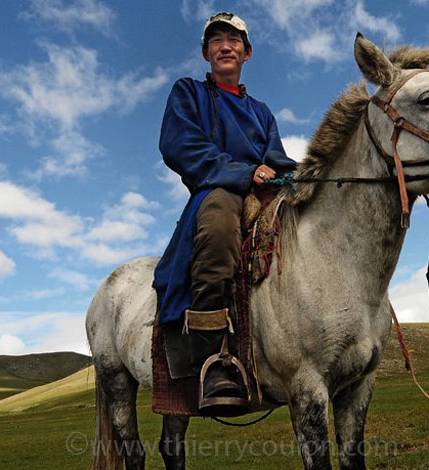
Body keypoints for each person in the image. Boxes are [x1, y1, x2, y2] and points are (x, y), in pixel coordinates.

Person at [152, 12, 297, 412]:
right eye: (216, 40)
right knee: (218, 226)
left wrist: (301, 176)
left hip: (263, 187)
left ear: (247, 53)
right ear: (206, 53)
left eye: (233, 40)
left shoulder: (262, 112)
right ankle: (213, 358)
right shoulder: (188, 93)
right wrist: (246, 172)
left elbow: (277, 159)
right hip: (217, 188)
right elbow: (180, 146)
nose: (225, 46)